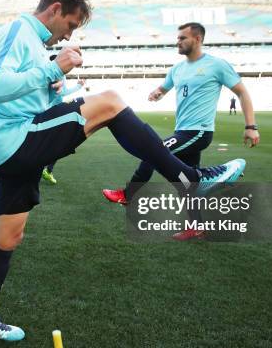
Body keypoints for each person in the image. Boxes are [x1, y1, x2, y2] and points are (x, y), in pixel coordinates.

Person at [0, 0, 246, 341]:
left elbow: (24, 95)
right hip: (17, 141)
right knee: (111, 101)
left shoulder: (36, 45)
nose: (68, 36)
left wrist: (51, 83)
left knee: (7, 239)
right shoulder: (19, 29)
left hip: (16, 149)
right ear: (55, 9)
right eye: (70, 25)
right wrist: (53, 70)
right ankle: (189, 180)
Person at [102, 22, 260, 240]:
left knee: (153, 152)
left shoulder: (216, 65)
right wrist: (157, 93)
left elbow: (242, 92)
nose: (177, 42)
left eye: (182, 38)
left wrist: (251, 126)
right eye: (177, 38)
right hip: (182, 130)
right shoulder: (177, 69)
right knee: (185, 184)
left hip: (198, 132)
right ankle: (196, 227)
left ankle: (128, 195)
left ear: (197, 39)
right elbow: (163, 88)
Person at [41, 77, 86, 184]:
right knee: (59, 143)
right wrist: (78, 86)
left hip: (52, 111)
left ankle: (46, 170)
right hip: (50, 113)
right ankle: (45, 170)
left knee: (56, 143)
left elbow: (58, 93)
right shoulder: (57, 74)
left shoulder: (58, 73)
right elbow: (61, 92)